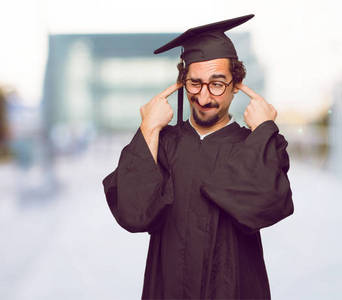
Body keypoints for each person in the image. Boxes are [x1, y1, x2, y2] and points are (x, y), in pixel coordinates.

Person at [102, 14, 294, 299]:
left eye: (217, 84)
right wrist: (148, 128)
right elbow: (133, 213)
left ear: (236, 83)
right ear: (183, 82)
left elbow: (266, 204)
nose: (204, 98)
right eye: (195, 83)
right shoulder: (163, 143)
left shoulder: (253, 145)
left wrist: (265, 130)